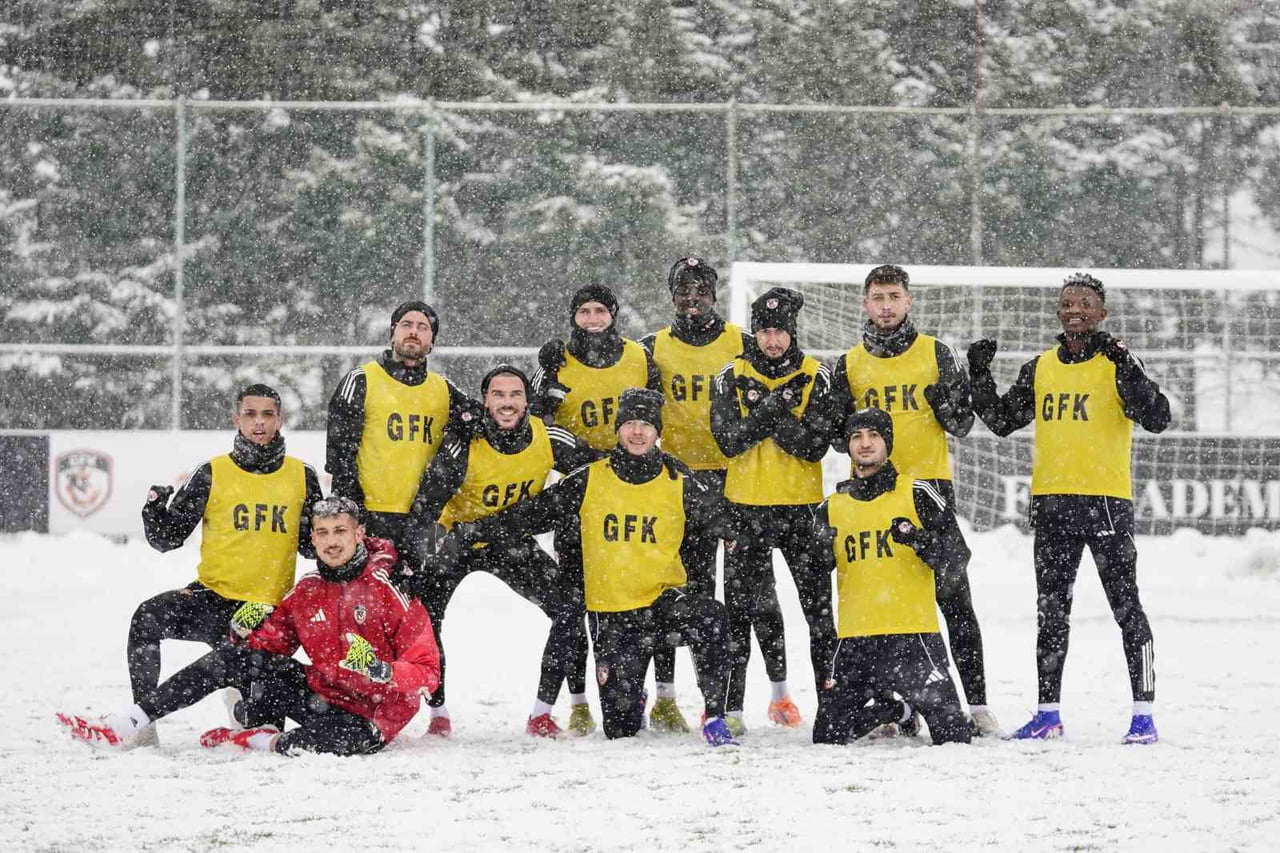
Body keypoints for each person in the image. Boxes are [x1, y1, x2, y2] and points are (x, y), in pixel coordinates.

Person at [455, 389, 739, 746]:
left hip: (664, 605)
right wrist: (475, 530)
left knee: (712, 616)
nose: (637, 432)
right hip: (615, 616)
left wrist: (733, 530)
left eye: (646, 425)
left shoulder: (678, 480)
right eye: (630, 424)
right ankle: (633, 696)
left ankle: (714, 715)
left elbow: (725, 517)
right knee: (620, 729)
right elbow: (531, 513)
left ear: (657, 432)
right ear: (618, 429)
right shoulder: (589, 478)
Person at [59, 497, 441, 756]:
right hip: (321, 697)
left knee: (332, 743)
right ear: (312, 538)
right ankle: (128, 722)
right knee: (235, 657)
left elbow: (428, 673)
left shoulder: (391, 588)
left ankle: (261, 740)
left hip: (370, 716)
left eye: (340, 531)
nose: (331, 542)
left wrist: (381, 670)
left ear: (359, 534)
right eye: (322, 534)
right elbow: (267, 648)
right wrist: (241, 634)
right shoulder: (307, 590)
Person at [968, 272, 1169, 744]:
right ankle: (1048, 714)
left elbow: (1158, 418)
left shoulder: (1118, 362)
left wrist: (1128, 368)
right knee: (1050, 613)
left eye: (1085, 303)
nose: (1074, 310)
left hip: (1104, 504)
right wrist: (979, 375)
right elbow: (1001, 421)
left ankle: (1144, 716)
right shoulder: (1040, 367)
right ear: (1058, 312)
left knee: (1127, 609)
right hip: (1053, 505)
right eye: (1067, 303)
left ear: (1102, 313)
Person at [823, 264, 998, 736]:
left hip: (928, 490)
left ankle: (977, 704)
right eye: (877, 297)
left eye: (894, 296)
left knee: (954, 599)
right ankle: (891, 705)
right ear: (864, 303)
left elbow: (962, 424)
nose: (886, 305)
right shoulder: (849, 363)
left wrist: (947, 404)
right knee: (878, 604)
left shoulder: (936, 353)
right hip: (871, 498)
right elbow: (839, 437)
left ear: (909, 301)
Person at [401, 364, 601, 738]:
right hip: (457, 539)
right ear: (485, 401)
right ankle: (439, 713)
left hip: (509, 540)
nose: (507, 403)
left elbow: (600, 470)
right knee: (426, 620)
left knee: (570, 607)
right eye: (498, 395)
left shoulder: (549, 435)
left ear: (528, 402)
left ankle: (541, 714)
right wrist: (420, 560)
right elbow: (427, 506)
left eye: (515, 395)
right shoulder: (464, 441)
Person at [130, 383, 323, 744]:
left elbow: (312, 550)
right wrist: (154, 510)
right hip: (210, 601)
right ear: (236, 419)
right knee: (146, 617)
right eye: (250, 414)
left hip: (264, 615)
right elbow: (167, 540)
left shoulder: (302, 476)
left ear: (280, 420)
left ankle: (240, 694)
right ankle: (142, 720)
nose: (259, 423)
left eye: (267, 414)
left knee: (263, 733)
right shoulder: (212, 472)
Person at [709, 286, 834, 734]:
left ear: (792, 331)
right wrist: (778, 410)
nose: (773, 341)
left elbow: (815, 447)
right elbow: (728, 441)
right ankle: (733, 710)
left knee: (820, 615)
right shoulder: (730, 374)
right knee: (741, 613)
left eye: (780, 331)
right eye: (764, 331)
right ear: (755, 333)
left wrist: (765, 414)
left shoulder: (819, 374)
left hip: (802, 511)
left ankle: (832, 704)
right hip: (745, 509)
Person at [636, 256, 752, 734]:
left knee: (739, 598)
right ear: (671, 295)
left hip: (737, 481)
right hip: (677, 483)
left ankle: (725, 702)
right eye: (683, 288)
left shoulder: (742, 343)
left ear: (714, 292)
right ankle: (665, 696)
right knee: (675, 589)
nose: (692, 296)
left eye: (700, 287)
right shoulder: (651, 349)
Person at [809, 408, 972, 746]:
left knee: (954, 736)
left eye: (873, 436)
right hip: (857, 642)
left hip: (913, 638)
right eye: (856, 437)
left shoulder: (917, 493)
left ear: (888, 443)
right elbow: (813, 575)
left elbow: (957, 557)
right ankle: (896, 712)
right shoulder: (832, 506)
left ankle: (914, 708)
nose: (865, 444)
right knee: (827, 737)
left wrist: (919, 540)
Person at [325, 300, 480, 566]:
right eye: (406, 325)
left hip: (422, 519)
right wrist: (351, 515)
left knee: (417, 604)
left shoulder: (443, 389)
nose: (413, 332)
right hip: (370, 515)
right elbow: (339, 457)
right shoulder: (362, 379)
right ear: (392, 333)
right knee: (363, 604)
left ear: (431, 342)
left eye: (423, 327)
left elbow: (490, 419)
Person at [530, 283, 662, 451]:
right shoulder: (556, 361)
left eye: (600, 311)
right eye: (584, 311)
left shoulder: (640, 356)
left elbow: (660, 414)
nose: (592, 319)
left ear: (612, 315)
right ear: (573, 317)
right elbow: (530, 423)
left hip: (630, 468)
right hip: (576, 471)